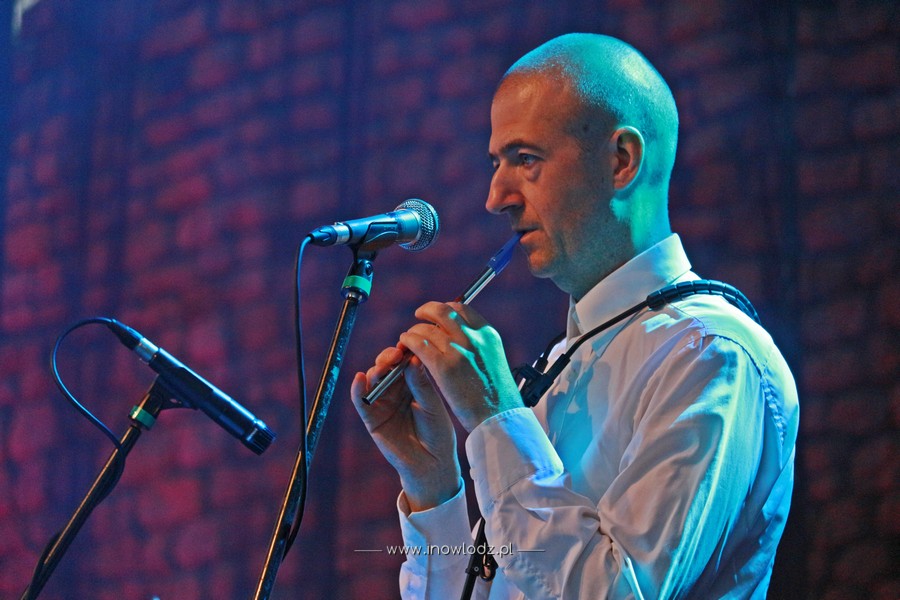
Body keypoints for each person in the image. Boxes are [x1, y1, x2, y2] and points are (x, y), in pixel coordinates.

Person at [350, 33, 799, 599]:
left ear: (621, 161)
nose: (495, 197)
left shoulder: (711, 355)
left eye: (526, 160)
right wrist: (434, 487)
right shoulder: (563, 363)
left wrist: (495, 418)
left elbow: (617, 593)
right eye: (496, 163)